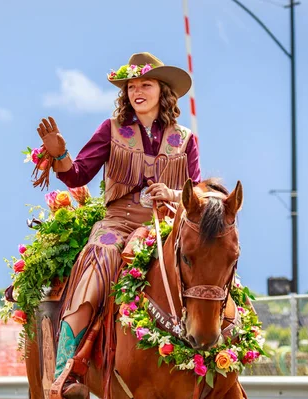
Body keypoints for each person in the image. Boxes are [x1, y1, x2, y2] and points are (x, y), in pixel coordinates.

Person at [37, 52, 201, 399]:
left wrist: (172, 193)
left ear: (163, 91)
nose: (137, 91)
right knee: (99, 260)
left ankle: (221, 356)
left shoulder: (186, 139)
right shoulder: (110, 130)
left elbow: (196, 193)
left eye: (146, 84)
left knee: (209, 264)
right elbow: (78, 174)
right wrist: (61, 155)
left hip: (166, 228)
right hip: (119, 223)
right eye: (131, 86)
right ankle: (66, 371)